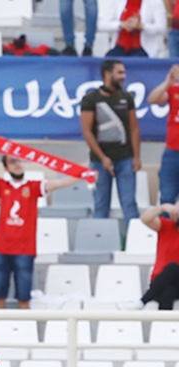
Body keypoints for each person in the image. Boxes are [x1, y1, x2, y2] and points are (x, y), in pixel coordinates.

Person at [0, 131, 80, 309]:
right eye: (12, 161)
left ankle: (23, 333)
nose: (17, 164)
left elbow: (60, 183)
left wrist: (84, 172)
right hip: (1, 248)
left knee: (24, 298)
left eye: (19, 160)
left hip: (25, 250)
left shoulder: (33, 187)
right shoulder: (1, 186)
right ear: (6, 167)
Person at [80, 59, 140, 222]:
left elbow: (134, 128)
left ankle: (133, 244)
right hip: (99, 162)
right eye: (120, 72)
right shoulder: (90, 99)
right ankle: (99, 244)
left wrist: (136, 157)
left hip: (125, 159)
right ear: (107, 74)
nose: (123, 76)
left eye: (124, 72)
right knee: (101, 206)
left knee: (130, 205)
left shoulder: (127, 97)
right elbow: (87, 131)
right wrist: (103, 158)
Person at [133, 203, 179, 310]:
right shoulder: (167, 226)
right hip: (160, 282)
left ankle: (143, 301)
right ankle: (164, 327)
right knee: (168, 292)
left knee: (172, 267)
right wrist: (162, 208)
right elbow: (145, 219)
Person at [148, 65, 179, 205]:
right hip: (173, 152)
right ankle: (167, 226)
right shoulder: (174, 90)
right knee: (167, 197)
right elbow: (152, 99)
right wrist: (168, 82)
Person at [100, 0, 166, 57]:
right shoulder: (116, 1)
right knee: (108, 65)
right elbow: (101, 25)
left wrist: (142, 26)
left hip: (142, 49)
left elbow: (162, 28)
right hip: (119, 47)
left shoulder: (155, 2)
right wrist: (121, 25)